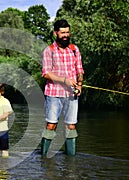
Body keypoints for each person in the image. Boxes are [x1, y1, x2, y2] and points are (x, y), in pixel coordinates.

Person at [41, 19, 84, 156]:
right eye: (62, 32)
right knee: (51, 125)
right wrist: (64, 80)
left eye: (67, 32)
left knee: (71, 126)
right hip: (53, 94)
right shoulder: (49, 51)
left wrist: (80, 85)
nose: (65, 35)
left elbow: (80, 70)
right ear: (55, 33)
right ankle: (43, 157)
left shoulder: (74, 49)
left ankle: (70, 159)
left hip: (72, 95)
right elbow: (46, 73)